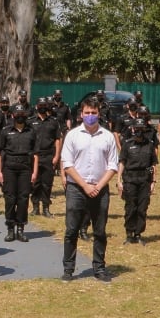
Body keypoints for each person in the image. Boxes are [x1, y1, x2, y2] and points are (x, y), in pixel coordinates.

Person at [60, 97, 119, 282]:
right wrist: (85, 186)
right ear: (81, 115)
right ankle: (69, 269)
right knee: (71, 230)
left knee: (100, 231)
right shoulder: (72, 135)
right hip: (77, 188)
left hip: (100, 189)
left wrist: (98, 186)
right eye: (87, 113)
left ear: (99, 114)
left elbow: (113, 165)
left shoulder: (108, 136)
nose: (91, 116)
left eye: (94, 113)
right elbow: (67, 164)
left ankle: (99, 268)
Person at [0, 104, 38, 242]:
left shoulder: (31, 131)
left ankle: (20, 229)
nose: (20, 116)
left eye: (23, 114)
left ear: (26, 115)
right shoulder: (5, 131)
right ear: (12, 115)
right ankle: (10, 229)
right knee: (10, 198)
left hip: (26, 168)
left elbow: (36, 154)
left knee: (23, 199)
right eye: (17, 114)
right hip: (9, 168)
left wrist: (35, 172)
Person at [117, 118, 157, 244]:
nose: (139, 131)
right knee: (130, 208)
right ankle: (129, 234)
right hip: (130, 180)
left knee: (142, 208)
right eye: (137, 129)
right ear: (133, 129)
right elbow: (122, 162)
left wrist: (153, 181)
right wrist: (118, 180)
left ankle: (138, 234)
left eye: (141, 129)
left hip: (144, 180)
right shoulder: (127, 144)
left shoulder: (149, 144)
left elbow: (152, 165)